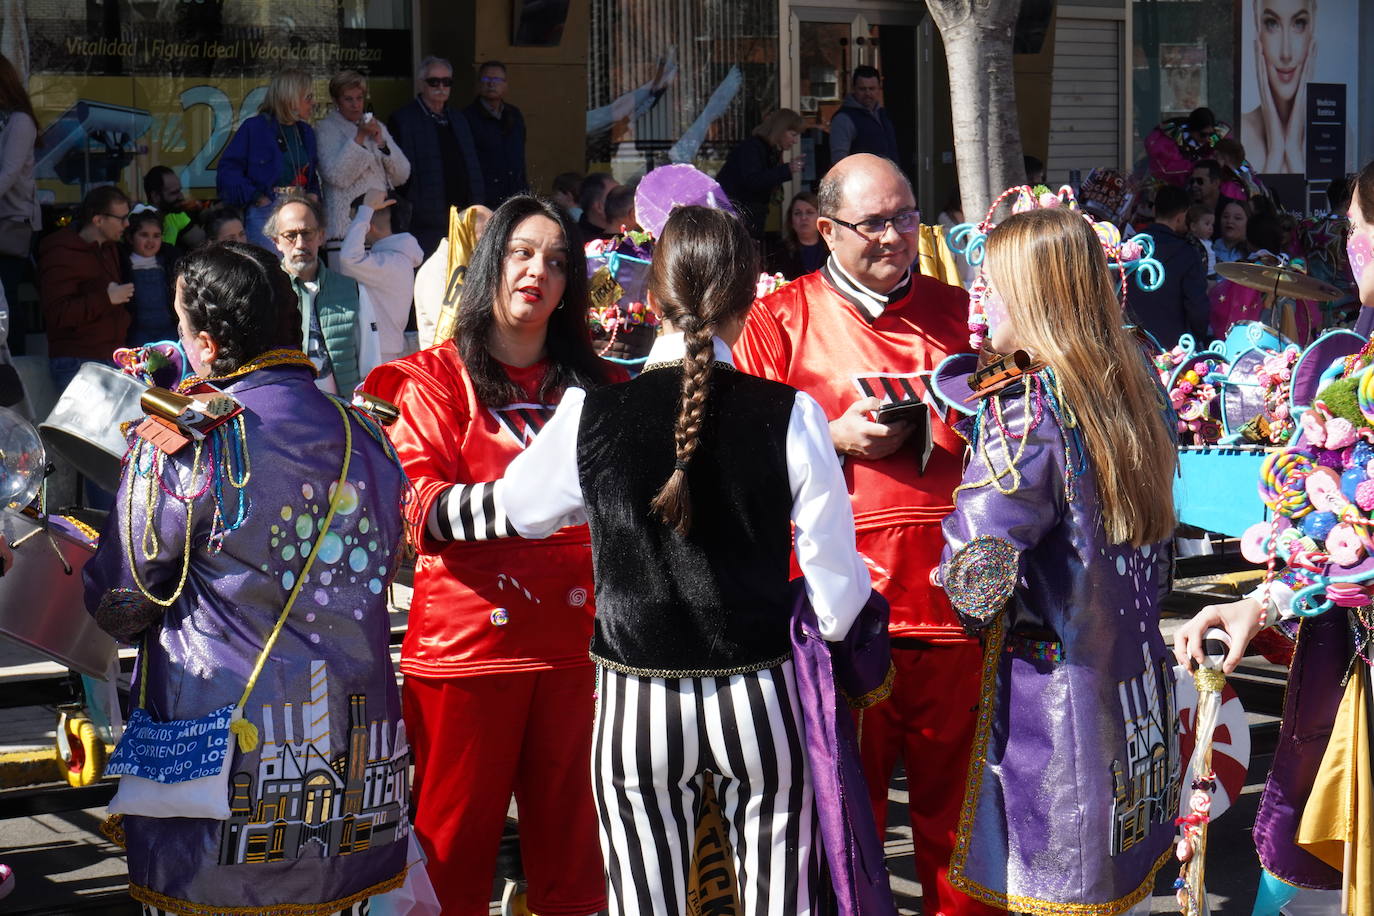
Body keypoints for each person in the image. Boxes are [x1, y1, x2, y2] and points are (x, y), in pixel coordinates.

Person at [421, 204, 875, 914]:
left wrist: (426, 508)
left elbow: (516, 509)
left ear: (651, 300)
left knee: (641, 900)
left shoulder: (588, 413)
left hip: (635, 699)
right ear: (749, 299)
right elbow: (839, 599)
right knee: (778, 897)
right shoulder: (793, 414)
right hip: (758, 691)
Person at [83, 241, 412, 916]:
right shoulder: (370, 441)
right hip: (353, 776)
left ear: (205, 344)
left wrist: (83, 555)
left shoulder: (187, 445)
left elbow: (122, 601)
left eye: (178, 326)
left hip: (218, 777)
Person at [734, 153, 998, 916]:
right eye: (875, 223)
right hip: (833, 617)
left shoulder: (969, 315)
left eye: (908, 217)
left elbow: (1024, 435)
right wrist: (824, 436)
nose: (897, 236)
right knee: (841, 835)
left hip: (957, 607)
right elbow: (732, 461)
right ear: (825, 230)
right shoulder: (776, 321)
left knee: (966, 832)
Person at [360, 196, 617, 916]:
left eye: (558, 261)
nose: (540, 271)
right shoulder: (428, 380)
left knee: (578, 864)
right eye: (523, 253)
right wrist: (521, 503)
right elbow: (418, 510)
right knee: (447, 861)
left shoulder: (603, 385)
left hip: (582, 653)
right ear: (490, 264)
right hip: (467, 657)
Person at [936, 204, 1179, 916]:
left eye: (992, 283)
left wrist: (947, 565)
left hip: (1058, 716)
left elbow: (975, 583)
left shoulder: (1027, 407)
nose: (981, 299)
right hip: (1135, 697)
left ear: (1032, 292)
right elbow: (959, 383)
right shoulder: (1136, 378)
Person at [1176, 158, 1374, 916]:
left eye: (1354, 229)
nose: (1347, 246)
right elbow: (1336, 538)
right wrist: (1262, 602)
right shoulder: (1354, 370)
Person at [267, 195, 377, 395]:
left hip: (344, 412)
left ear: (321, 236)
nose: (300, 243)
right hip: (291, 410)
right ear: (276, 241)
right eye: (290, 235)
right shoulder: (266, 294)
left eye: (307, 233)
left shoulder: (351, 290)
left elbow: (370, 361)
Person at [388, 56, 486, 257]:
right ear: (421, 83)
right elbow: (396, 173)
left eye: (446, 82)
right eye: (434, 81)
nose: (441, 87)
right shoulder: (403, 119)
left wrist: (477, 204)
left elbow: (473, 166)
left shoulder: (459, 118)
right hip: (424, 224)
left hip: (463, 218)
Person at [38, 185, 133, 392]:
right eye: (121, 218)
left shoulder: (110, 248)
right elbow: (58, 314)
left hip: (110, 356)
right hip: (77, 362)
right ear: (98, 220)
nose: (127, 224)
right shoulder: (61, 251)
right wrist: (107, 299)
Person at [216, 70, 321, 251]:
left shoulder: (306, 132)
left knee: (299, 269)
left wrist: (313, 194)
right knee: (270, 269)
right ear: (290, 98)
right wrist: (257, 197)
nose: (313, 103)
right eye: (308, 97)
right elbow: (228, 170)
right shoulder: (255, 128)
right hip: (267, 211)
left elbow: (311, 174)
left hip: (301, 208)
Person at [316, 69, 412, 247]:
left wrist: (381, 142)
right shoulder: (325, 129)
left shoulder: (376, 126)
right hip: (346, 230)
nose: (355, 105)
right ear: (336, 101)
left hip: (382, 228)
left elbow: (402, 174)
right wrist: (359, 138)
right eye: (348, 99)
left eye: (359, 98)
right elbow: (337, 176)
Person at [336, 188, 423, 365]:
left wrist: (365, 210)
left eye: (356, 223)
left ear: (370, 226)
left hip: (379, 354)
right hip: (381, 350)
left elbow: (348, 258)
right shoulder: (397, 258)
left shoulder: (392, 262)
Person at [1127, 184, 1208, 347]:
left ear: (1155, 210)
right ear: (1181, 216)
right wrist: (1200, 336)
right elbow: (1197, 307)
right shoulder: (1188, 253)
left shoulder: (1131, 247)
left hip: (1131, 342)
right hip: (1171, 348)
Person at [1241, 0, 1315, 175]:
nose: (1286, 53)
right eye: (1272, 24)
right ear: (1258, 31)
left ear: (1311, 31)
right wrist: (1275, 151)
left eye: (1299, 23)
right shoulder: (1243, 132)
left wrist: (1293, 149)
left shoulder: (1338, 134)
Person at [716, 108, 805, 242]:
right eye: (793, 134)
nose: (795, 141)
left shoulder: (766, 149)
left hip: (744, 219)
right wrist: (786, 169)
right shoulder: (752, 148)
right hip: (736, 220)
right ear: (780, 131)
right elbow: (753, 181)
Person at [0, 53, 39, 355]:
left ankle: (16, 359)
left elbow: (9, 173)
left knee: (7, 295)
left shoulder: (19, 121)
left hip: (11, 221)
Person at [462, 61, 528, 207]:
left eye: (497, 80)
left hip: (515, 196)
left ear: (506, 85)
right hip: (484, 200)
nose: (491, 84)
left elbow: (520, 160)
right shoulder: (466, 118)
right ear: (478, 84)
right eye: (486, 79)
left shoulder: (515, 115)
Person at [120, 208, 179, 346]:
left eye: (156, 235)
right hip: (137, 331)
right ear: (130, 237)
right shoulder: (123, 263)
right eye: (144, 235)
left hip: (168, 328)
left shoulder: (168, 261)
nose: (151, 241)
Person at [828, 65, 900, 163]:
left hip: (888, 176)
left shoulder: (883, 115)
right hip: (861, 177)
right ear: (854, 89)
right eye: (862, 89)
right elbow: (839, 161)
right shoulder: (844, 119)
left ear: (879, 88)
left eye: (872, 88)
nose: (868, 93)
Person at [768, 190, 827, 280]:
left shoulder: (832, 251)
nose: (803, 218)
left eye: (809, 212)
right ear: (791, 220)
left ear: (820, 218)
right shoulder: (780, 251)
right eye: (797, 213)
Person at [143, 166, 204, 249]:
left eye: (180, 191)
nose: (181, 197)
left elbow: (201, 243)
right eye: (174, 193)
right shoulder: (139, 221)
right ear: (155, 196)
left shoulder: (174, 213)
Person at [576, 171, 619, 241]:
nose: (624, 200)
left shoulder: (631, 235)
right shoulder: (575, 242)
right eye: (616, 197)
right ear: (599, 207)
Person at [1213, 197, 1252, 264]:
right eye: (1226, 216)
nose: (1230, 221)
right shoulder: (1210, 249)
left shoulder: (1255, 254)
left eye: (1237, 218)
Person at [1187, 203, 1216, 277]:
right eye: (1207, 224)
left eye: (1212, 224)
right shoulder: (1191, 243)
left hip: (1213, 275)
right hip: (1202, 277)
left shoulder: (1209, 242)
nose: (1210, 228)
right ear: (1193, 226)